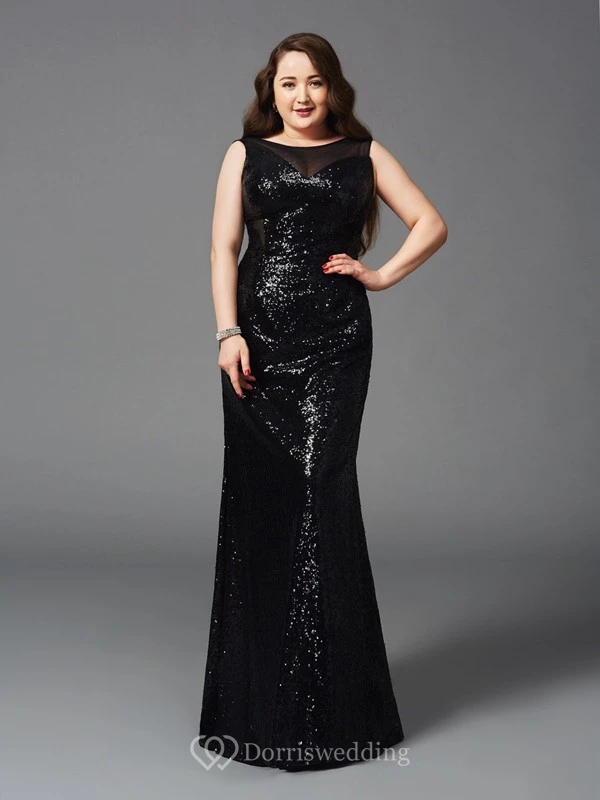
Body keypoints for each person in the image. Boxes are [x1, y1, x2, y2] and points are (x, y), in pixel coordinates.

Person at [197, 32, 448, 771]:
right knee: (264, 504)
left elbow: (431, 223)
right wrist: (228, 333)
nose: (302, 96)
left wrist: (382, 275)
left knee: (320, 490)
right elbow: (222, 248)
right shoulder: (244, 153)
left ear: (333, 87)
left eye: (313, 82)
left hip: (336, 343)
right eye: (288, 83)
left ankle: (337, 708)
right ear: (270, 91)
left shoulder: (364, 154)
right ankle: (257, 706)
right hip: (259, 342)